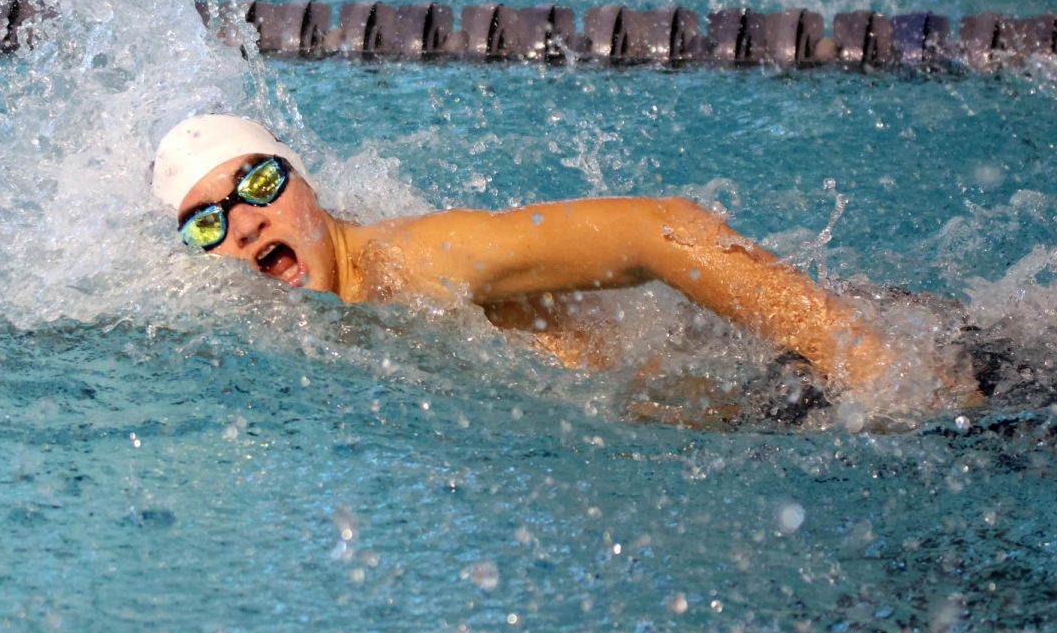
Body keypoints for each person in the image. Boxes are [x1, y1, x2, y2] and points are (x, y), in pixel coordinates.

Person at [153, 113, 983, 424]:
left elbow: (663, 228)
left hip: (805, 374)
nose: (246, 220)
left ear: (308, 186)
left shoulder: (417, 260)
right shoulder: (278, 328)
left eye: (259, 181)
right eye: (206, 223)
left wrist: (867, 362)